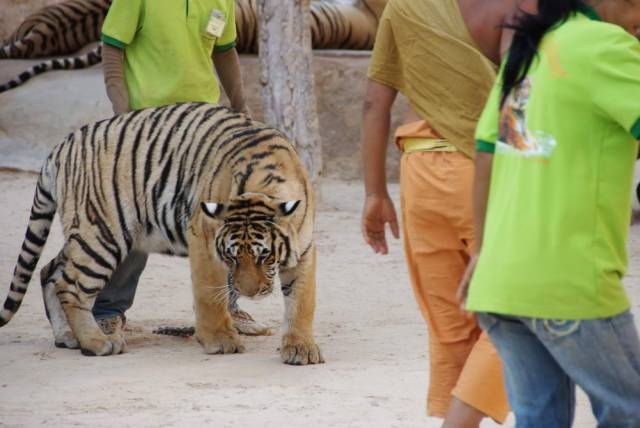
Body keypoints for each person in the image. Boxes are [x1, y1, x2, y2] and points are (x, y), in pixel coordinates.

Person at [459, 0, 640, 425]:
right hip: (568, 280)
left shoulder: (532, 48)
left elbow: (487, 150)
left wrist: (482, 252)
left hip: (502, 283)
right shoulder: (604, 45)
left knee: (540, 418)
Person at [361, 0, 522, 425]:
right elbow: (516, 94)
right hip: (485, 171)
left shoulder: (402, 7)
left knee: (449, 322)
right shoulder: (515, 5)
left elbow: (374, 104)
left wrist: (374, 194)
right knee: (513, 312)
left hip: (419, 172)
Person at [96, 0, 270, 340]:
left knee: (218, 220)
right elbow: (112, 47)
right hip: (148, 128)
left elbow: (224, 51)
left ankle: (226, 307)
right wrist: (122, 114)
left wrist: (240, 107)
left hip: (204, 129)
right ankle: (108, 310)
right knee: (136, 220)